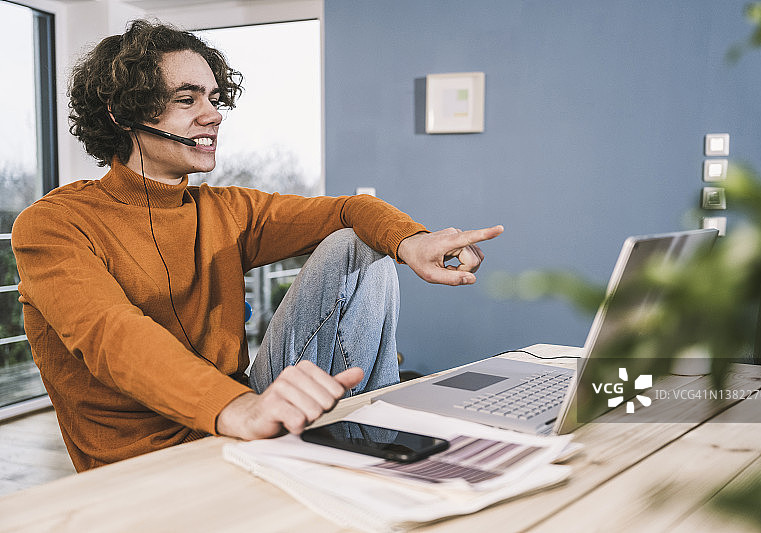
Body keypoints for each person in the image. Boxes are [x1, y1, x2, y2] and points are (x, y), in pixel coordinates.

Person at [11, 19, 503, 472]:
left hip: (247, 414)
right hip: (152, 456)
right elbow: (112, 337)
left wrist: (412, 241)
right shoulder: (52, 225)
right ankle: (376, 459)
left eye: (213, 97)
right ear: (122, 114)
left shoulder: (225, 209)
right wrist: (237, 406)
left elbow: (349, 211)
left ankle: (378, 450)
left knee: (358, 246)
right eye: (188, 100)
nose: (213, 115)